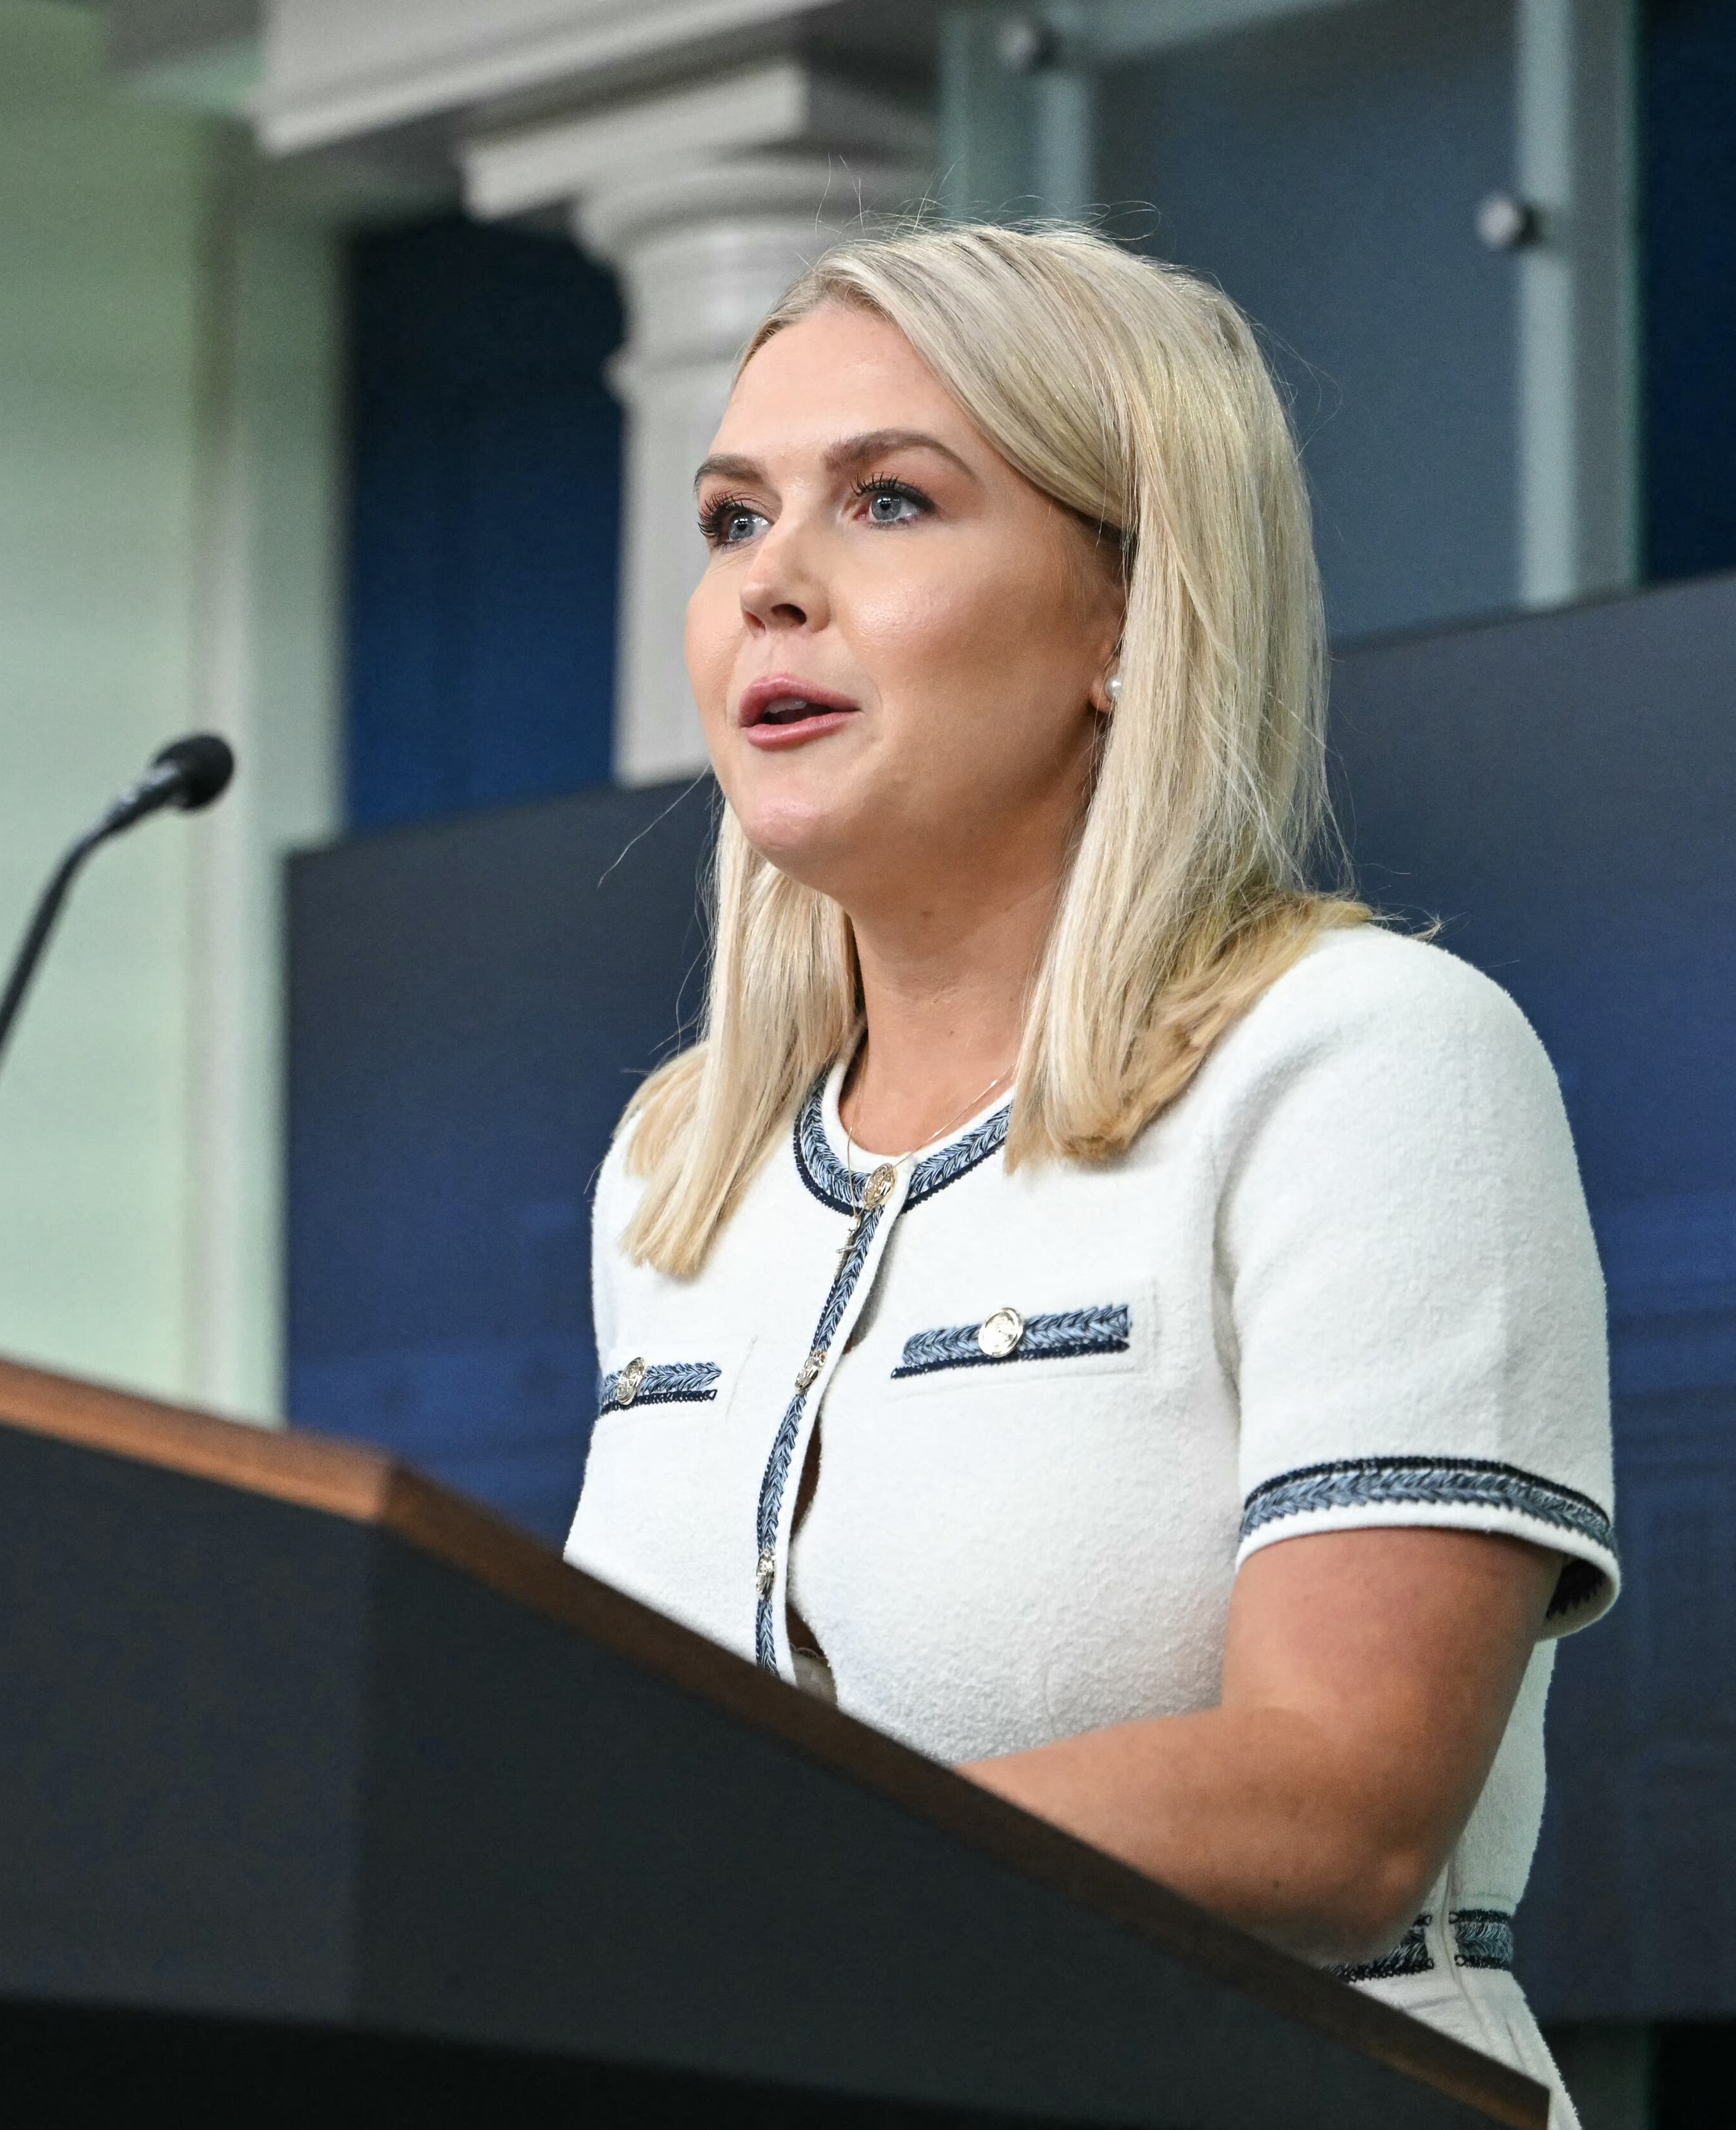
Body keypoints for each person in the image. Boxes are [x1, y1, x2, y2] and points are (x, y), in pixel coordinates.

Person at [562, 220, 1613, 2120]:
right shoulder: (673, 1172)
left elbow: (1342, 1795)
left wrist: (728, 1888)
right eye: (731, 522)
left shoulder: (1365, 1057)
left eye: (886, 502)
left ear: (1128, 618)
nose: (770, 588)